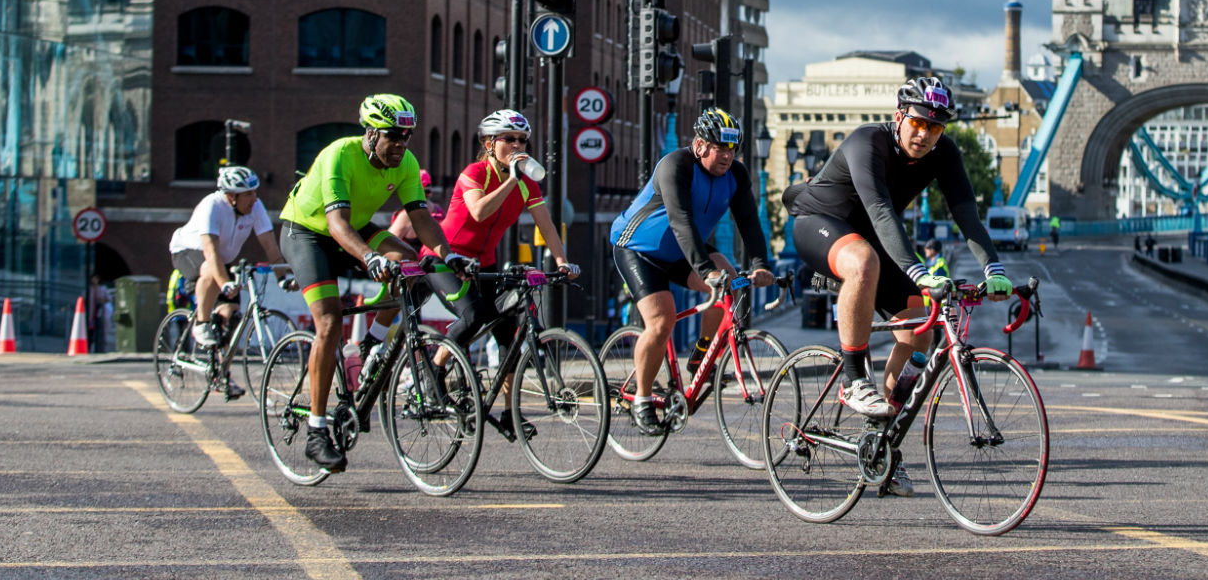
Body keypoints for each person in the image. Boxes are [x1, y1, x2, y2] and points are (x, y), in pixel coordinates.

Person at [784, 75, 1009, 498]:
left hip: (871, 238)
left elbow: (966, 214)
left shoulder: (944, 153)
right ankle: (854, 378)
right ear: (899, 117)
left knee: (919, 329)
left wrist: (993, 267)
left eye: (935, 127)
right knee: (864, 262)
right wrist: (919, 271)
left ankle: (879, 441)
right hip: (820, 225)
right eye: (918, 124)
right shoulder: (866, 143)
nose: (925, 135)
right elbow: (883, 213)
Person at [277, 94, 468, 473]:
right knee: (329, 321)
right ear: (370, 133)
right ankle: (316, 431)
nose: (400, 144)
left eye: (406, 136)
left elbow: (422, 219)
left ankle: (371, 346)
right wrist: (370, 258)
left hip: (355, 226)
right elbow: (337, 225)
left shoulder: (406, 162)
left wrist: (448, 255)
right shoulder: (339, 155)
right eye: (392, 136)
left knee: (411, 266)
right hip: (309, 231)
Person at [610, 108, 775, 437]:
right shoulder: (675, 166)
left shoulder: (736, 175)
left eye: (733, 149)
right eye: (720, 148)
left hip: (685, 251)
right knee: (662, 321)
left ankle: (701, 356)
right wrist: (705, 271)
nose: (728, 155)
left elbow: (749, 224)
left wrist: (760, 265)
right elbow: (680, 221)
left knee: (730, 284)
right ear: (700, 145)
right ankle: (642, 399)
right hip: (639, 250)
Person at [419, 110, 573, 362]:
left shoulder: (527, 183)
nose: (517, 145)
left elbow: (547, 226)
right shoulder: (475, 173)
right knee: (473, 315)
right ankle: (434, 371)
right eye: (509, 138)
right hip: (446, 256)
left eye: (522, 140)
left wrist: (562, 262)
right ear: (489, 144)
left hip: (483, 261)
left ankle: (510, 402)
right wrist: (512, 180)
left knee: (505, 329)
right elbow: (479, 212)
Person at [166, 165, 286, 398]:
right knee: (209, 271)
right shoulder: (211, 206)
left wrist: (284, 278)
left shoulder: (256, 207)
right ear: (231, 196)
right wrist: (225, 284)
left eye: (255, 192)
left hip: (220, 260)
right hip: (189, 251)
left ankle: (220, 374)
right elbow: (210, 252)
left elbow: (270, 246)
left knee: (231, 313)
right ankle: (201, 323)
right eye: (248, 194)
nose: (254, 198)